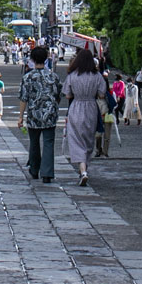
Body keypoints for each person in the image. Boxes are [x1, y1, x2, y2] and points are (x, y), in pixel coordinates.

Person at [19, 46, 62, 182]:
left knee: (34, 142)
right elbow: (58, 95)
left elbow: (24, 98)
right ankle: (47, 173)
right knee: (49, 142)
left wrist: (20, 116)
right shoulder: (53, 76)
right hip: (50, 113)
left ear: (32, 59)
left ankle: (34, 168)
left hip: (34, 113)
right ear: (46, 58)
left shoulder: (28, 77)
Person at [62, 48, 105, 185]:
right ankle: (85, 168)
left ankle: (83, 170)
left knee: (76, 138)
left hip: (76, 106)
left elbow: (67, 95)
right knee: (88, 138)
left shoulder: (72, 75)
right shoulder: (97, 76)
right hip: (91, 107)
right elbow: (102, 94)